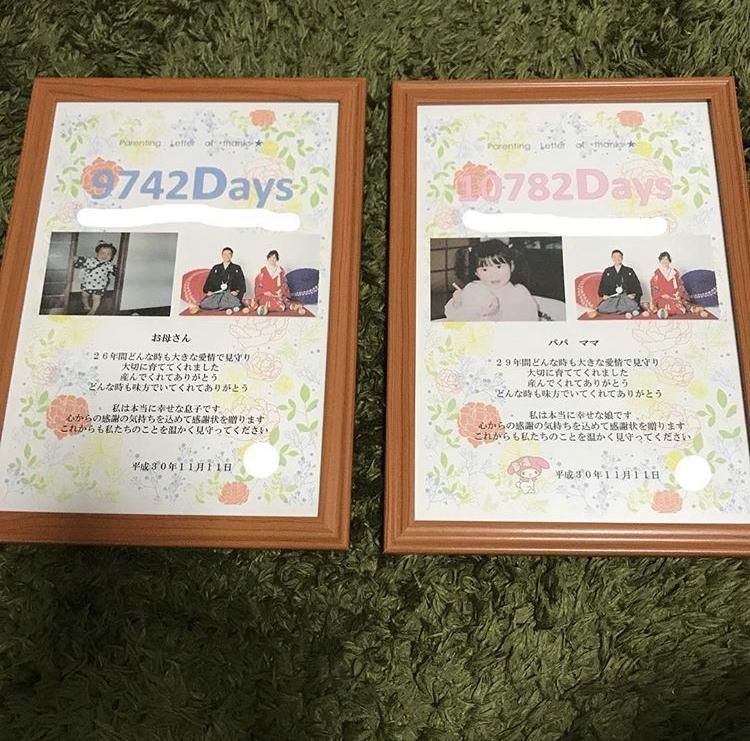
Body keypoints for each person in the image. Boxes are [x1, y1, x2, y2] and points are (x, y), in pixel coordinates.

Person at [443, 239, 539, 321]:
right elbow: (454, 318)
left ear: (512, 266)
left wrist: (496, 316)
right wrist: (457, 304)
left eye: (498, 267)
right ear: (476, 273)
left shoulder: (519, 293)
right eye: (484, 269)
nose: (493, 274)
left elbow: (530, 320)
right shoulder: (473, 289)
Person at [74, 241, 118, 315]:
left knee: (96, 298)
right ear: (97, 253)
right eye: (102, 253)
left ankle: (93, 310)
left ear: (112, 256)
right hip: (87, 284)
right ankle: (86, 305)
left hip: (99, 286)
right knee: (84, 296)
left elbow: (117, 272)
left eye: (108, 254)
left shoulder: (109, 265)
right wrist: (76, 258)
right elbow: (82, 260)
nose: (105, 256)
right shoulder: (90, 260)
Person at [199, 247, 246, 312]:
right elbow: (209, 281)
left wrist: (237, 291)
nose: (226, 256)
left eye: (229, 254)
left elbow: (241, 282)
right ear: (222, 255)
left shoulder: (236, 268)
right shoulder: (216, 267)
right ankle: (226, 306)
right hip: (217, 293)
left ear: (232, 255)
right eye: (224, 254)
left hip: (230, 294)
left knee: (235, 302)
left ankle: (226, 306)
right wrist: (208, 291)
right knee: (204, 304)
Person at [596, 249, 642, 314]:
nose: (617, 258)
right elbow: (602, 285)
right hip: (612, 297)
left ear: (622, 258)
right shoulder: (608, 271)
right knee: (602, 308)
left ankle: (619, 310)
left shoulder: (629, 270)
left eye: (619, 256)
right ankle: (622, 310)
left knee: (634, 306)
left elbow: (636, 284)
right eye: (614, 257)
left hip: (625, 297)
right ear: (612, 258)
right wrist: (604, 295)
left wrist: (633, 294)